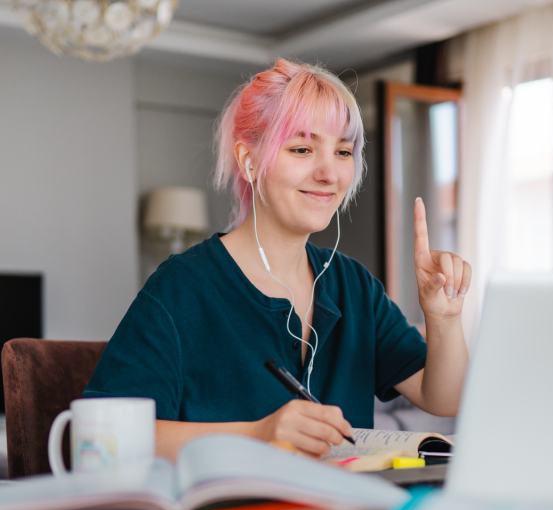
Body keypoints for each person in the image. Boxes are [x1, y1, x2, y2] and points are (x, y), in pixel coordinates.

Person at [84, 58, 471, 462]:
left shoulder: (354, 285)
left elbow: (445, 398)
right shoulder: (181, 289)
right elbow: (106, 437)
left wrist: (443, 319)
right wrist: (259, 434)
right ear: (249, 162)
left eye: (342, 151)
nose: (329, 173)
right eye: (302, 149)